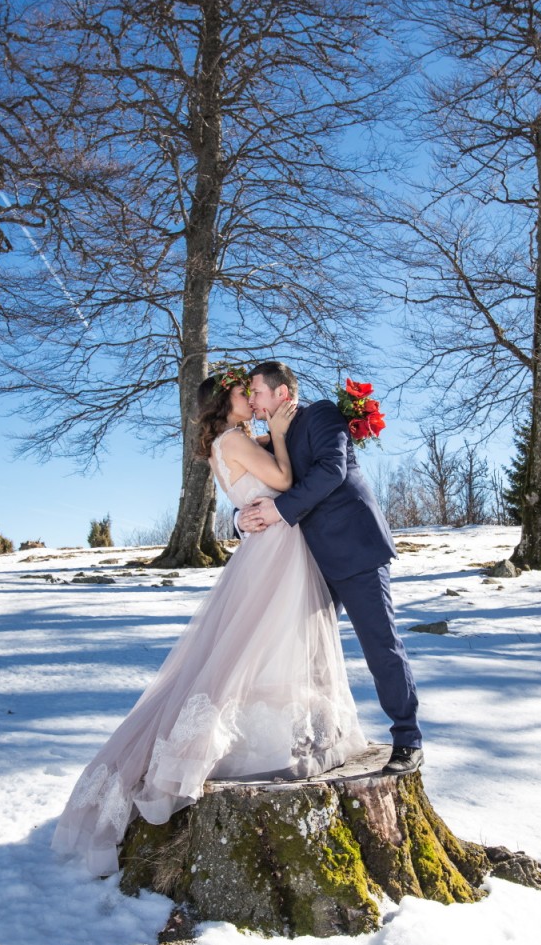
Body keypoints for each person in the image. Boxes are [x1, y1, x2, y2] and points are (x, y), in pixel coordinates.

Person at [52, 368, 367, 876]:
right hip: (277, 550)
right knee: (261, 643)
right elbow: (285, 480)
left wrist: (280, 438)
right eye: (245, 394)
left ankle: (287, 729)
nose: (252, 400)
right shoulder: (233, 440)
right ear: (226, 402)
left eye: (253, 393)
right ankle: (246, 743)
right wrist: (283, 438)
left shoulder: (234, 440)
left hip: (269, 546)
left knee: (260, 644)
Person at [238, 361, 423, 776]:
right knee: (308, 654)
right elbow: (253, 486)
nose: (251, 400)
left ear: (282, 393)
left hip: (355, 547)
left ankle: (408, 738)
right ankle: (322, 737)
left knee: (381, 646)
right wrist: (241, 519)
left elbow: (331, 470)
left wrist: (279, 509)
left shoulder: (321, 413)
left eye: (257, 392)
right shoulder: (271, 441)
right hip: (306, 563)